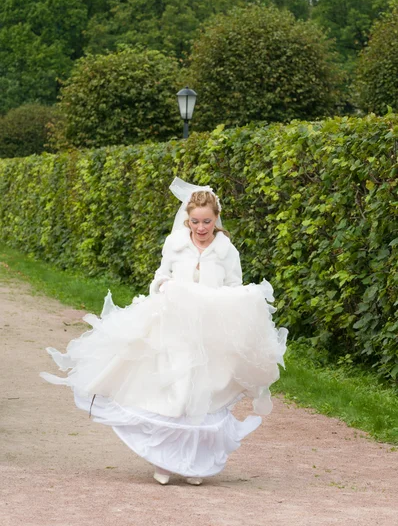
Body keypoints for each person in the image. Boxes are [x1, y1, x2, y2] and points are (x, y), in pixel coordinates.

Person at [40, 177, 288, 485]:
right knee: (176, 393)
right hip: (175, 328)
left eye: (206, 221)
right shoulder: (176, 244)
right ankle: (165, 461)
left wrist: (227, 304)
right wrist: (164, 286)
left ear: (216, 219)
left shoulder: (227, 251)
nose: (200, 228)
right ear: (188, 219)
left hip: (210, 333)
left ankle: (195, 463)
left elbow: (234, 287)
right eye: (195, 221)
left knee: (204, 397)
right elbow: (159, 276)